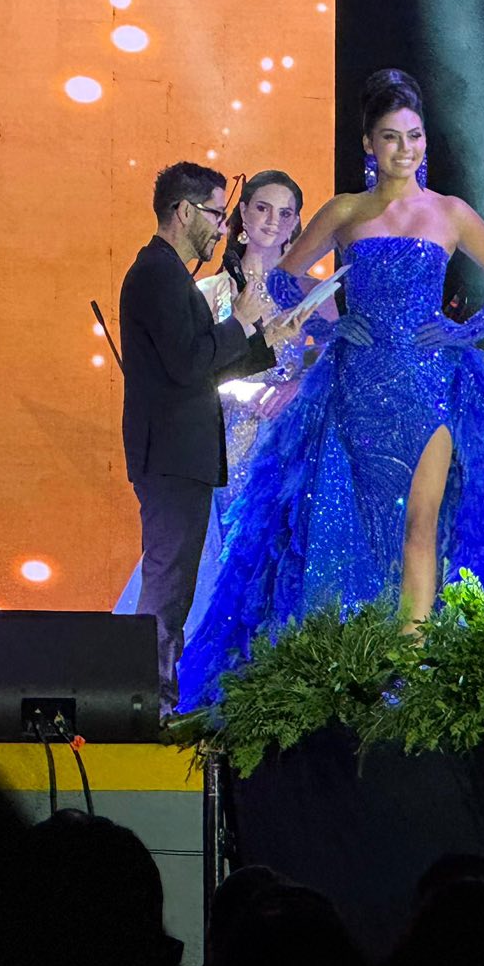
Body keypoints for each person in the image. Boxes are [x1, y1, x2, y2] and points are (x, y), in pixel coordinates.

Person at [178, 68, 484, 706]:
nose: (404, 149)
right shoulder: (345, 211)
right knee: (356, 527)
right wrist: (330, 328)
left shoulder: (450, 212)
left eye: (414, 136)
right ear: (369, 143)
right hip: (357, 389)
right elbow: (282, 279)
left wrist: (463, 332)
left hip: (431, 386)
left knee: (421, 525)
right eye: (391, 137)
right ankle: (357, 662)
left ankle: (409, 672)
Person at [116, 162, 305, 707]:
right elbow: (191, 365)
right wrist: (242, 320)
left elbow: (203, 359)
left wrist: (268, 341)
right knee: (170, 582)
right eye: (218, 214)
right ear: (184, 211)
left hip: (190, 455)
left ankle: (157, 693)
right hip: (175, 454)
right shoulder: (160, 273)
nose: (222, 227)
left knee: (177, 585)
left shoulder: (167, 272)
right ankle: (147, 697)